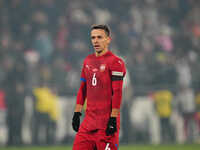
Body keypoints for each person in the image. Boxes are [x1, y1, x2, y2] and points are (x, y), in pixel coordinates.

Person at [72, 24, 126, 150]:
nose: (96, 41)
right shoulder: (87, 61)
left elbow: (117, 92)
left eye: (100, 37)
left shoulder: (116, 62)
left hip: (106, 124)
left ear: (108, 40)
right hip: (88, 124)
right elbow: (83, 89)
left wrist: (113, 118)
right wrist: (77, 113)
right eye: (93, 38)